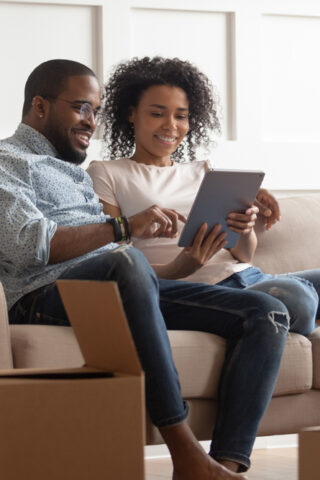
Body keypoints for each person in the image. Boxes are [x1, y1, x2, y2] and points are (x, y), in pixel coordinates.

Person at [0, 59, 309, 480]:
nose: (91, 122)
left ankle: (225, 466)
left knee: (264, 311)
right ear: (39, 106)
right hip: (44, 294)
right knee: (126, 257)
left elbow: (133, 278)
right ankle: (184, 450)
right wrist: (124, 226)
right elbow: (27, 242)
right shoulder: (8, 160)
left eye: (96, 111)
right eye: (80, 108)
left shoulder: (71, 173)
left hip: (111, 284)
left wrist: (179, 265)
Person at [87, 56, 320, 335]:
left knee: (296, 294)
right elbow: (114, 261)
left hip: (247, 277)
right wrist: (179, 266)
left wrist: (244, 229)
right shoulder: (106, 173)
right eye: (158, 113)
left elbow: (243, 254)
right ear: (131, 113)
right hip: (202, 291)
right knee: (298, 297)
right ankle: (293, 313)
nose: (171, 125)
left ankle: (286, 317)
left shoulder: (203, 170)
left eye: (181, 116)